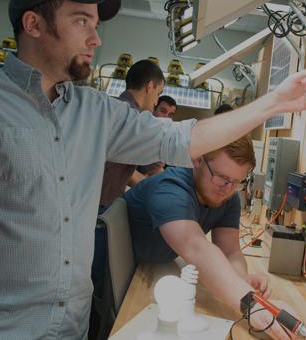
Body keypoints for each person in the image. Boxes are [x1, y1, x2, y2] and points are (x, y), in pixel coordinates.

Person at [0, 0, 306, 340]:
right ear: (33, 24)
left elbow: (184, 138)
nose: (95, 38)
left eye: (96, 24)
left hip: (70, 327)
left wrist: (273, 102)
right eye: (81, 21)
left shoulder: (95, 111)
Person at [124, 135, 289, 340]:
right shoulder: (170, 188)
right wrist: (251, 304)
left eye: (237, 182)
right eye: (222, 178)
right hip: (120, 270)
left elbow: (230, 251)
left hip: (152, 266)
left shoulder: (227, 196)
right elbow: (196, 248)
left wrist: (241, 281)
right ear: (197, 160)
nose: (228, 189)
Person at [99, 59, 166, 207]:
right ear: (149, 87)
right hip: (101, 206)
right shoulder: (138, 122)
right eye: (158, 93)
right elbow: (156, 172)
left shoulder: (105, 109)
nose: (156, 102)